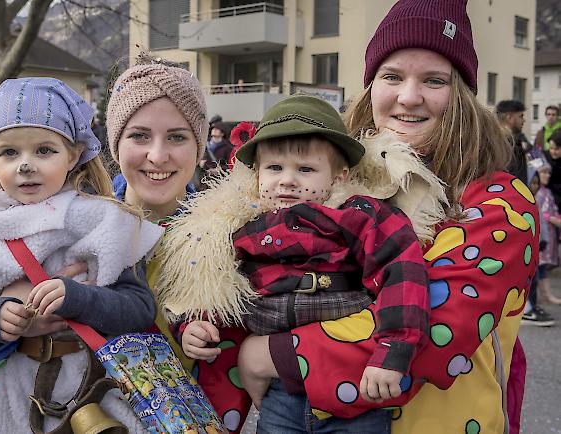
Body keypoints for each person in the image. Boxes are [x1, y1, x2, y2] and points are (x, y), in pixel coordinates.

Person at [234, 1, 538, 433]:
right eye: (391, 76)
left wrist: (270, 354)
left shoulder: (501, 202)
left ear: (463, 96)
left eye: (434, 80)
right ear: (371, 87)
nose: (408, 97)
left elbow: (438, 325)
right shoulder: (327, 186)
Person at [0, 77, 163, 434]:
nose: (26, 165)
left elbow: (139, 307)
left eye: (44, 151)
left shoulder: (102, 221)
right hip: (17, 396)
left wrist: (80, 298)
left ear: (74, 154)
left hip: (98, 390)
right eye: (9, 152)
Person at [177, 95, 432, 433]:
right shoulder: (243, 227)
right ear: (257, 175)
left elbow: (401, 272)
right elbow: (216, 282)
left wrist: (393, 349)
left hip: (353, 380)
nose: (287, 180)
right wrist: (193, 324)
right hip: (281, 388)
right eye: (274, 168)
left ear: (338, 176)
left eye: (306, 169)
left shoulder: (358, 215)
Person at [105, 52, 250, 433]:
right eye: (139, 135)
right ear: (115, 143)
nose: (157, 155)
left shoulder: (234, 238)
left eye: (177, 137)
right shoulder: (74, 231)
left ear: (199, 146)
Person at [521, 162, 556, 326]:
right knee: (530, 280)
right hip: (530, 246)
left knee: (534, 279)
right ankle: (528, 309)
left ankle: (532, 307)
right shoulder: (527, 202)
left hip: (538, 245)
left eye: (536, 183)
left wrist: (544, 241)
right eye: (532, 182)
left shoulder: (534, 200)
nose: (534, 186)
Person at [533, 162, 561, 305]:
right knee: (538, 265)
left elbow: (553, 209)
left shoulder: (548, 192)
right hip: (541, 233)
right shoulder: (536, 192)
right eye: (544, 173)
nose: (547, 176)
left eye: (548, 173)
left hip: (549, 233)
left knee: (542, 266)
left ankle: (546, 294)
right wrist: (551, 218)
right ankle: (541, 295)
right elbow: (540, 213)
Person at [496, 99, 529, 184]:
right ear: (509, 117)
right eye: (521, 116)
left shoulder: (519, 140)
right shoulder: (503, 144)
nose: (523, 120)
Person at [544, 130, 561, 212]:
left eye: (557, 149)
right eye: (551, 148)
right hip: (545, 199)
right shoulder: (545, 156)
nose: (553, 152)